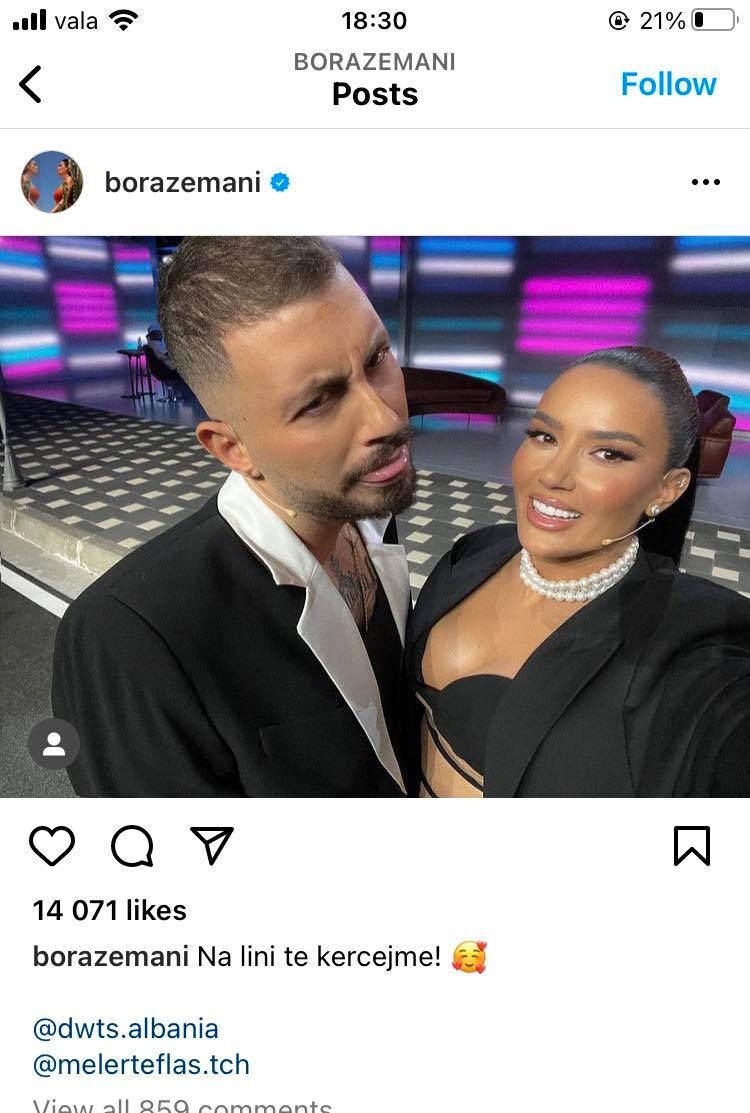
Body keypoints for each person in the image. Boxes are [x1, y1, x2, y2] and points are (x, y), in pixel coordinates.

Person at [53, 237, 417, 796]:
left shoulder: (365, 509)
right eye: (319, 401)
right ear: (232, 448)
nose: (385, 419)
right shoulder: (127, 642)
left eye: (376, 359)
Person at [406, 346, 750, 797]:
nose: (553, 474)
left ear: (668, 489)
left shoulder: (691, 651)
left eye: (608, 453)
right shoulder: (474, 552)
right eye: (544, 436)